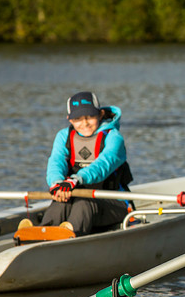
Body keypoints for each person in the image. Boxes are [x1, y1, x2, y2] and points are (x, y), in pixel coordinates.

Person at [39, 91, 132, 236]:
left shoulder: (114, 138)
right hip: (76, 195)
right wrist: (56, 183)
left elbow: (103, 165)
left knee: (84, 203)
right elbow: (56, 162)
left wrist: (76, 179)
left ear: (100, 115)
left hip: (114, 203)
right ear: (70, 120)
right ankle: (41, 235)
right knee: (60, 204)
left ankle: (69, 236)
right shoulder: (64, 136)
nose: (85, 123)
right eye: (78, 119)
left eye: (90, 117)